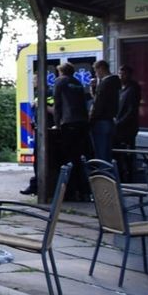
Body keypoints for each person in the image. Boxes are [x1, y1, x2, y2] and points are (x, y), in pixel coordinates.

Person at [52, 62, 91, 200]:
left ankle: (70, 191)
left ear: (61, 72)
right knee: (80, 157)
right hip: (82, 123)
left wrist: (57, 124)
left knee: (69, 157)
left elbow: (58, 104)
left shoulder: (60, 82)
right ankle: (84, 190)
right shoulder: (78, 83)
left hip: (69, 123)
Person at [88, 59, 120, 163]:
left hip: (101, 121)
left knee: (100, 153)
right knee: (107, 152)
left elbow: (99, 104)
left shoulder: (105, 84)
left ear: (101, 69)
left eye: (96, 71)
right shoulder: (115, 82)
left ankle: (103, 176)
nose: (96, 74)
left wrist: (91, 120)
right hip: (110, 121)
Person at [115, 64, 142, 179]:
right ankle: (122, 173)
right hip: (119, 126)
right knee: (120, 152)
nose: (121, 76)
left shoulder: (133, 88)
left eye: (123, 74)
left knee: (128, 152)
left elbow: (132, 109)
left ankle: (130, 175)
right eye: (120, 73)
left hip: (128, 127)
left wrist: (120, 122)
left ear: (129, 75)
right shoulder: (121, 89)